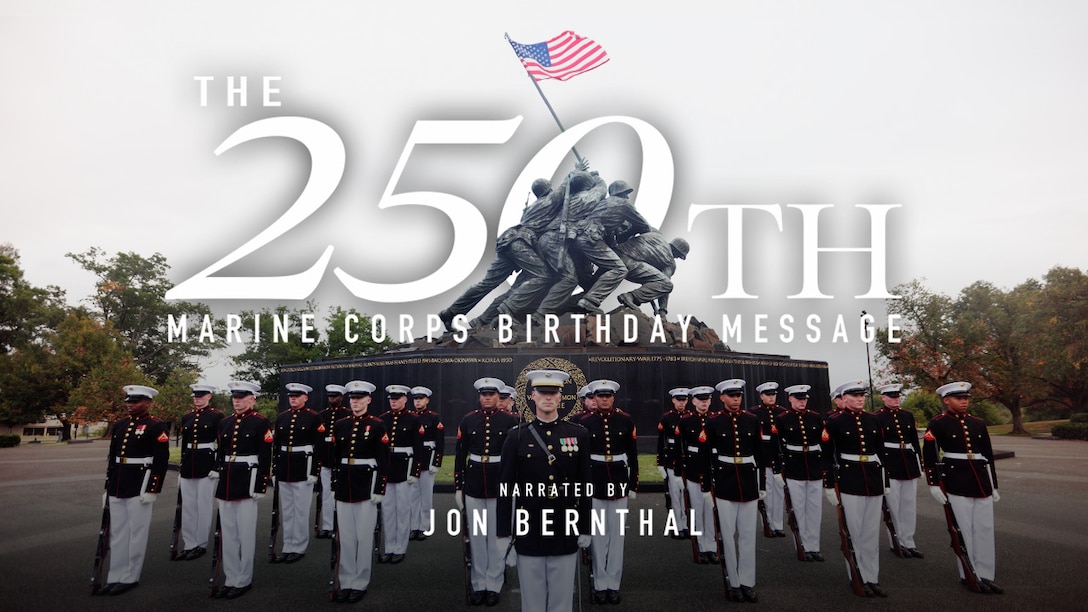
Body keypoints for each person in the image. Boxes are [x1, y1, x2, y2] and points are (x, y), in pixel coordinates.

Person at [497, 369, 592, 612]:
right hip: (529, 527)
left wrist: (585, 527)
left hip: (564, 525)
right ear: (533, 396)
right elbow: (506, 488)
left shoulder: (578, 435)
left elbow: (584, 486)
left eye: (553, 393)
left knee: (562, 601)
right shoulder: (515, 437)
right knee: (532, 601)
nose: (547, 397)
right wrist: (503, 533)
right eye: (542, 392)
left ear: (561, 397)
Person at [439, 178, 559, 330]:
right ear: (548, 188)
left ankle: (450, 312)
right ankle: (507, 309)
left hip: (508, 241)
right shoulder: (548, 200)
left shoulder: (532, 207)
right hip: (520, 243)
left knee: (486, 283)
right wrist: (579, 170)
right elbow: (569, 184)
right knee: (542, 275)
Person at [922, 382, 1003, 594]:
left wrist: (993, 484)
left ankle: (986, 574)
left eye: (966, 397)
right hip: (956, 479)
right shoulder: (938, 423)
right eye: (959, 398)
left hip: (980, 479)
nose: (964, 401)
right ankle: (969, 573)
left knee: (984, 528)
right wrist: (933, 484)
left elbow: (988, 456)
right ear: (946, 400)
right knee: (963, 529)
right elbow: (929, 455)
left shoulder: (978, 423)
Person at [453, 377, 521, 606]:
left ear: (498, 396)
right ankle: (478, 584)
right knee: (477, 538)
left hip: (499, 485)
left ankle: (493, 583)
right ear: (479, 396)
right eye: (484, 394)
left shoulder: (510, 421)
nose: (487, 398)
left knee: (497, 537)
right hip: (473, 485)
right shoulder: (468, 420)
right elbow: (460, 455)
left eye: (492, 394)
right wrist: (459, 485)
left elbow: (515, 458)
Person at [96, 385, 169, 596]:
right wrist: (107, 488)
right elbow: (112, 460)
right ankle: (115, 575)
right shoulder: (119, 425)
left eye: (135, 401)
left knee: (136, 532)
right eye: (128, 401)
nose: (130, 404)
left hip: (140, 482)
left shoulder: (156, 426)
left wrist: (153, 488)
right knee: (118, 533)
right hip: (119, 482)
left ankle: (131, 576)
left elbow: (161, 460)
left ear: (147, 402)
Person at [821, 380, 888, 597]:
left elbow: (881, 453)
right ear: (844, 398)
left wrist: (885, 481)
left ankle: (872, 577)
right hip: (849, 478)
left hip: (872, 478)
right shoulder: (834, 422)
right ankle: (857, 576)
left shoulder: (873, 420)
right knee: (854, 531)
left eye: (862, 396)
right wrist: (829, 484)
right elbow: (827, 455)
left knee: (870, 531)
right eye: (855, 396)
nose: (860, 399)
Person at [704, 379, 767, 602]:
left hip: (748, 482)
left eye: (738, 395)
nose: (736, 399)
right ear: (722, 397)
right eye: (731, 395)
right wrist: (706, 488)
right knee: (728, 537)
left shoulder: (752, 420)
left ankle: (747, 582)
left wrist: (761, 486)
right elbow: (706, 456)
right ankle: (733, 580)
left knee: (749, 536)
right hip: (725, 481)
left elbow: (760, 456)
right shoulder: (713, 422)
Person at [212, 380, 273, 599]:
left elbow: (265, 456)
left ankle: (243, 579)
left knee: (245, 532)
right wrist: (217, 471)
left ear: (252, 399)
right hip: (228, 478)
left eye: (241, 397)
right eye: (234, 397)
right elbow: (221, 451)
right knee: (228, 533)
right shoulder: (225, 423)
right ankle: (230, 578)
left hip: (248, 479)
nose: (237, 401)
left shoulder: (260, 422)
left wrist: (261, 484)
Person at [581, 379, 639, 604]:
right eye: (600, 396)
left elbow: (632, 455)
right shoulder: (584, 423)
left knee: (617, 536)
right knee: (598, 536)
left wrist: (633, 483)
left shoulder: (625, 420)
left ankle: (613, 584)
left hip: (618, 481)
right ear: (594, 398)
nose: (604, 399)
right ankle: (599, 582)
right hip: (595, 482)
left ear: (613, 397)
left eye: (608, 396)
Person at [330, 380, 389, 603]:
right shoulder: (341, 424)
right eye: (353, 399)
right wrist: (334, 485)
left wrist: (380, 488)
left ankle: (360, 582)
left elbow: (383, 460)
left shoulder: (377, 425)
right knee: (345, 537)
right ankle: (346, 581)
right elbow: (336, 458)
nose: (355, 402)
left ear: (368, 400)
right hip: (345, 483)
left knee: (363, 536)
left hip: (366, 484)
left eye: (360, 398)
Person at [271, 382, 321, 564]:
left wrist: (315, 471)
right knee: (288, 510)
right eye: (291, 396)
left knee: (300, 510)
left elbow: (319, 447)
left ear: (305, 398)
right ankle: (287, 545)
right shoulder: (282, 417)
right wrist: (275, 469)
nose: (293, 398)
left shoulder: (314, 417)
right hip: (285, 466)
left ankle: (298, 547)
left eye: (297, 396)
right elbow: (276, 447)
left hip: (303, 467)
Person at [774, 384, 825, 561]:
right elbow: (777, 445)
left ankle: (814, 546)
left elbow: (823, 443)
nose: (801, 401)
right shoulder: (782, 419)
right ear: (790, 399)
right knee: (798, 508)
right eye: (798, 398)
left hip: (814, 467)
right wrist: (777, 470)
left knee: (815, 509)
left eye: (804, 399)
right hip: (794, 467)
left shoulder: (816, 418)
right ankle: (802, 544)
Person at [875, 383, 924, 558]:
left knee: (909, 505)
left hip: (908, 462)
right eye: (891, 396)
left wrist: (919, 464)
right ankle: (896, 541)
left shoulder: (907, 415)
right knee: (893, 506)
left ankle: (909, 542)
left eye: (897, 396)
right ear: (883, 397)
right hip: (890, 463)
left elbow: (914, 442)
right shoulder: (877, 417)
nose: (895, 399)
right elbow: (877, 445)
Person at [376, 384, 424, 564]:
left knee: (403, 510)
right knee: (388, 511)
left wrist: (415, 471)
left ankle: (400, 548)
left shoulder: (413, 420)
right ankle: (389, 546)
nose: (394, 402)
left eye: (397, 399)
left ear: (405, 399)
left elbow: (418, 449)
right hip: (388, 468)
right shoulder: (382, 420)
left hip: (405, 467)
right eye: (391, 399)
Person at [176, 383, 224, 561]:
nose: (198, 398)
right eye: (196, 395)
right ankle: (189, 543)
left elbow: (222, 443)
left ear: (209, 396)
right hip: (190, 463)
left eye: (201, 395)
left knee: (203, 506)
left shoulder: (217, 416)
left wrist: (216, 466)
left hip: (206, 462)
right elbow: (185, 443)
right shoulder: (187, 417)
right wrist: (182, 464)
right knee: (188, 506)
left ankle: (201, 543)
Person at [678, 385, 718, 563]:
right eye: (700, 400)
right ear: (693, 401)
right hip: (694, 470)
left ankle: (712, 546)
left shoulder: (716, 420)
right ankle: (701, 546)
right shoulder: (686, 421)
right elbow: (680, 449)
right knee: (696, 510)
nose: (704, 403)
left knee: (711, 511)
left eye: (707, 399)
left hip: (714, 469)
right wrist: (679, 473)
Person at [613, 233, 689, 316]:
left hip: (614, 255)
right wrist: (662, 310)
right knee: (667, 284)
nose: (677, 257)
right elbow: (664, 286)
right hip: (630, 264)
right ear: (677, 251)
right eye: (679, 255)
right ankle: (630, 296)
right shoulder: (670, 262)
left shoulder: (656, 236)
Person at [748, 381, 785, 538]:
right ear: (761, 396)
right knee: (766, 491)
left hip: (778, 455)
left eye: (773, 394)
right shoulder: (754, 413)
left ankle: (778, 524)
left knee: (780, 492)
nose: (772, 397)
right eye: (768, 395)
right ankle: (768, 522)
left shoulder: (782, 412)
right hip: (763, 455)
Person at [316, 384, 351, 540]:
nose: (332, 399)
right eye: (330, 396)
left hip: (341, 461)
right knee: (326, 495)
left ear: (341, 398)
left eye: (335, 396)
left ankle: (341, 526)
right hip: (326, 459)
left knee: (341, 494)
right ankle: (327, 526)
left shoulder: (347, 415)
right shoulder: (322, 415)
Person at [409, 385, 444, 541]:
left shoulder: (433, 417)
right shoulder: (409, 417)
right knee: (413, 496)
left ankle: (424, 526)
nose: (418, 402)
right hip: (413, 460)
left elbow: (440, 442)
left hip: (427, 458)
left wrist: (436, 463)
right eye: (415, 399)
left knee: (426, 496)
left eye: (420, 399)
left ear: (427, 400)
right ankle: (413, 526)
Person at [657, 387, 690, 540]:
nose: (681, 403)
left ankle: (688, 525)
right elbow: (660, 441)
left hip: (689, 461)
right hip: (672, 460)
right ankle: (677, 526)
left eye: (684, 400)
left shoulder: (691, 417)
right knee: (675, 497)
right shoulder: (667, 418)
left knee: (688, 496)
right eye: (678, 400)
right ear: (673, 400)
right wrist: (660, 463)